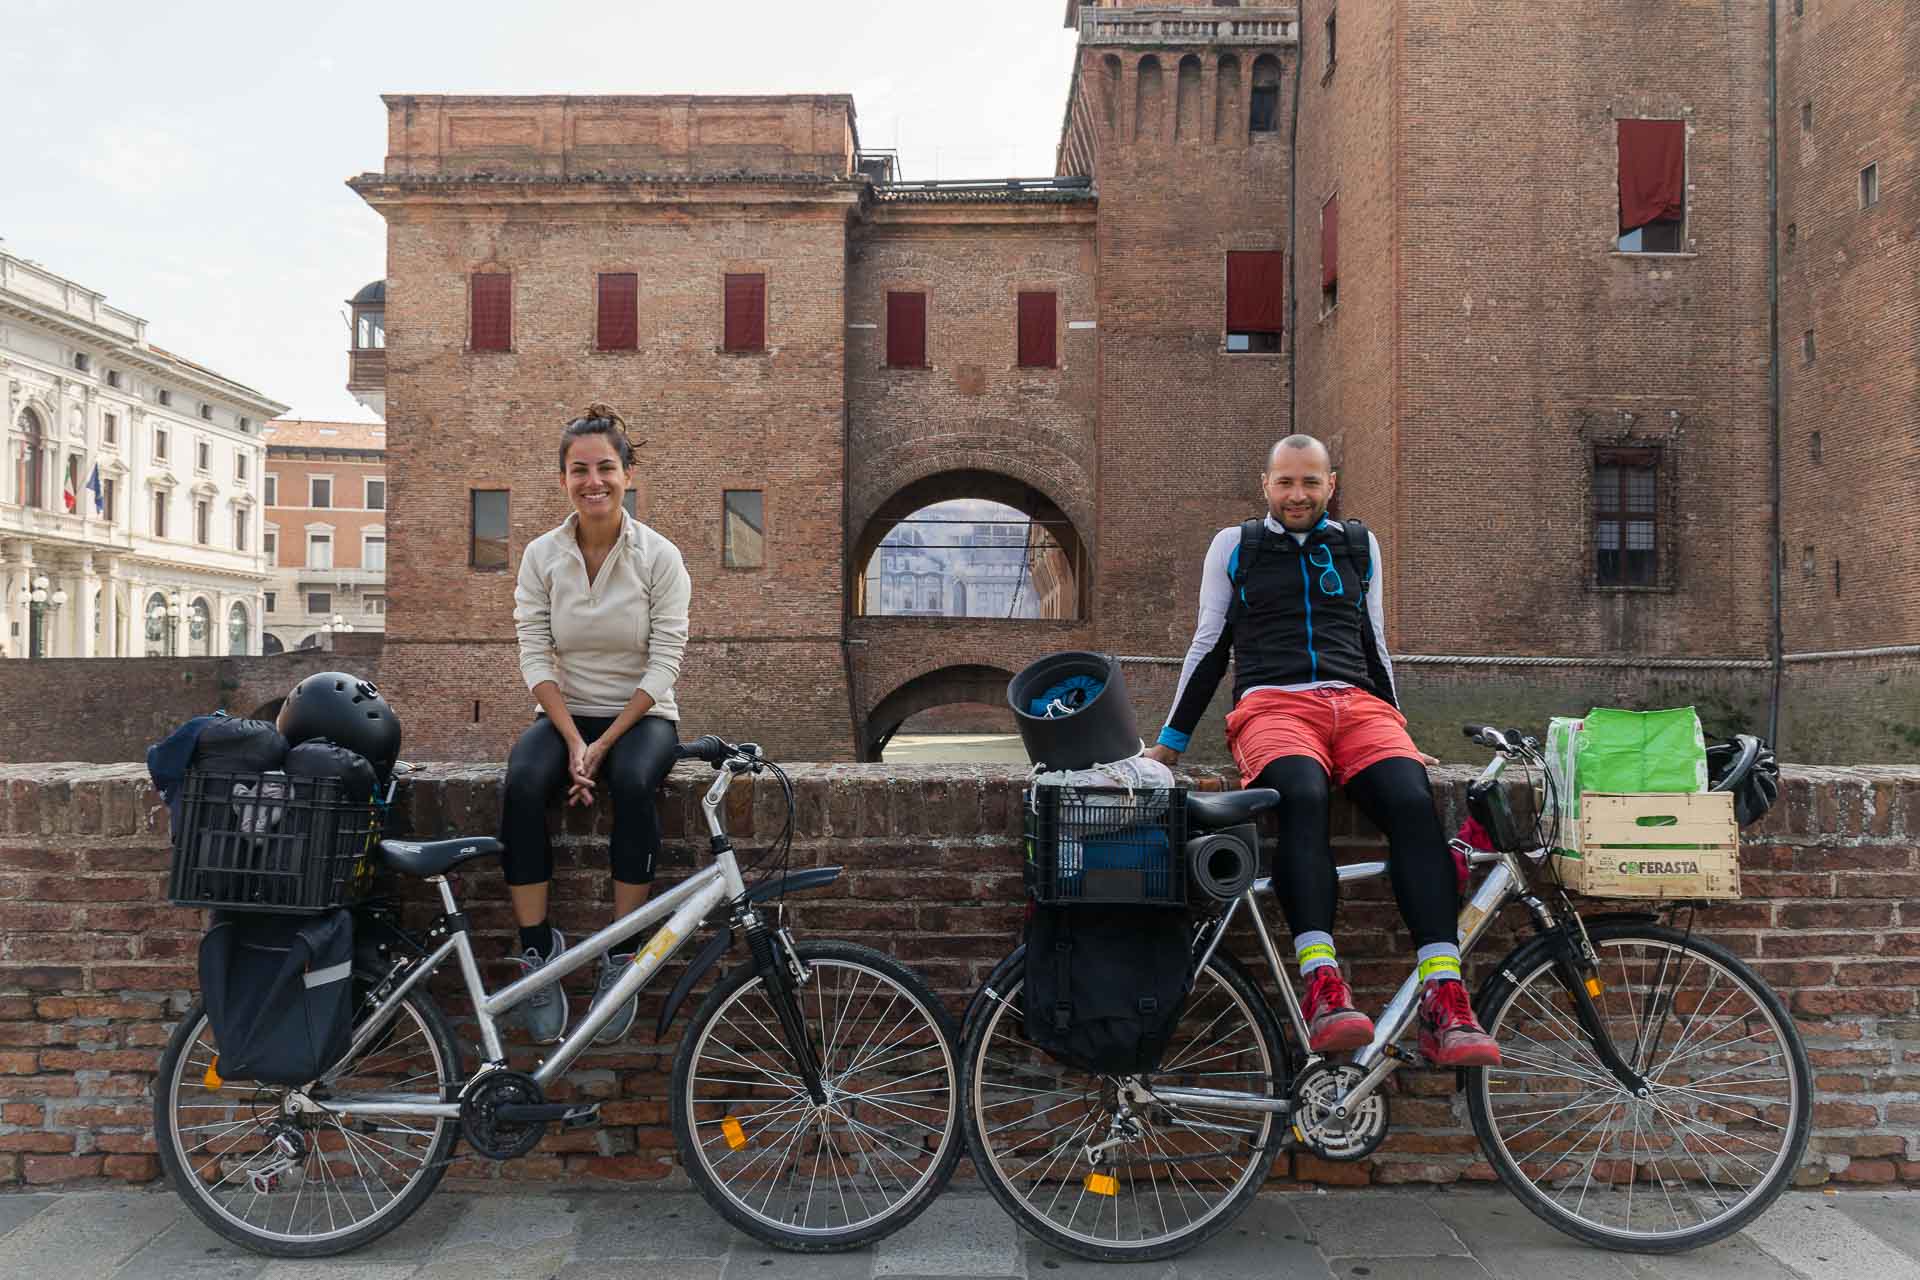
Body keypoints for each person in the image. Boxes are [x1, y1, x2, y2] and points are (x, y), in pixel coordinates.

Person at [1144, 434, 1500, 1067]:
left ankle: (1444, 995)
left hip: (1358, 706)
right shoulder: (1237, 546)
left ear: (1331, 484)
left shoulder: (1359, 546)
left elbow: (1374, 642)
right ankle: (1323, 986)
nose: (1297, 495)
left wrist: (1402, 730)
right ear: (1266, 485)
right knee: (1301, 793)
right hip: (1272, 704)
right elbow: (1208, 647)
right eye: (1286, 483)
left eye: (1310, 483)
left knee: (1411, 799)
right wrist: (1169, 746)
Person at [502, 403, 691, 1044]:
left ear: (628, 474)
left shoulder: (660, 557)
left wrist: (605, 744)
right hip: (564, 713)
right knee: (523, 783)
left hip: (643, 715)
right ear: (563, 479)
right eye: (579, 470)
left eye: (606, 468)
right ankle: (537, 951)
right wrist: (575, 741)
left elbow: (666, 659)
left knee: (634, 784)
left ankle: (622, 952)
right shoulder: (541, 557)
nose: (594, 482)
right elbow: (534, 652)